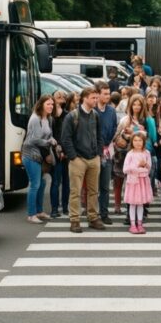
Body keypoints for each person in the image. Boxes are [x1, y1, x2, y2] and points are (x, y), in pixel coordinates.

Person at [60, 87, 105, 233]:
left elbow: (99, 136)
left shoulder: (95, 115)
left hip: (93, 158)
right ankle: (75, 220)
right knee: (75, 191)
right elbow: (65, 138)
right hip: (78, 159)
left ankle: (93, 217)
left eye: (96, 97)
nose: (96, 100)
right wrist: (73, 157)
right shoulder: (72, 116)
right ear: (84, 98)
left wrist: (98, 153)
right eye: (93, 98)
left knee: (94, 191)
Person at [115, 94, 157, 224]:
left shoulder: (148, 119)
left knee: (144, 185)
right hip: (130, 154)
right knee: (131, 185)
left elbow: (153, 137)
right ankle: (130, 215)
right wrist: (126, 135)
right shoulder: (126, 119)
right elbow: (117, 136)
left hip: (144, 154)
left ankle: (142, 213)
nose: (137, 107)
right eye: (134, 104)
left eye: (139, 104)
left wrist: (138, 133)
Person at [21, 95, 56, 224]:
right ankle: (31, 214)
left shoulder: (49, 118)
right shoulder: (35, 118)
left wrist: (51, 139)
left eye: (52, 104)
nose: (51, 106)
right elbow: (34, 140)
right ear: (41, 105)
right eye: (48, 104)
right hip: (30, 155)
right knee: (35, 184)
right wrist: (48, 142)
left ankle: (39, 211)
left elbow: (48, 135)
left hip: (40, 155)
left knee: (42, 183)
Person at [95, 81, 118, 225]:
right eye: (105, 94)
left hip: (107, 151)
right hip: (93, 153)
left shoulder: (111, 111)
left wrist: (107, 143)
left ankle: (104, 213)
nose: (108, 96)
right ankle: (93, 213)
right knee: (93, 187)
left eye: (109, 94)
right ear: (97, 95)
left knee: (105, 186)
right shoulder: (92, 110)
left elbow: (114, 127)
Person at [122, 132, 153, 234]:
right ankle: (132, 225)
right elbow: (125, 169)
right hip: (133, 182)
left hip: (143, 181)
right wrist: (137, 166)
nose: (138, 143)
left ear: (144, 142)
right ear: (132, 142)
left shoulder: (147, 153)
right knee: (132, 204)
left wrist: (145, 165)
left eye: (140, 140)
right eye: (135, 140)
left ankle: (140, 224)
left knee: (140, 204)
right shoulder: (130, 154)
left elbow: (149, 168)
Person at [49, 91, 71, 218]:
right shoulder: (49, 115)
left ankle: (65, 207)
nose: (61, 97)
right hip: (54, 152)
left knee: (66, 182)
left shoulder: (67, 115)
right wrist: (57, 148)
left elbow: (69, 134)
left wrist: (64, 150)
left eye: (63, 96)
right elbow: (49, 134)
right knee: (56, 181)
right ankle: (54, 208)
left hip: (66, 153)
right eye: (58, 96)